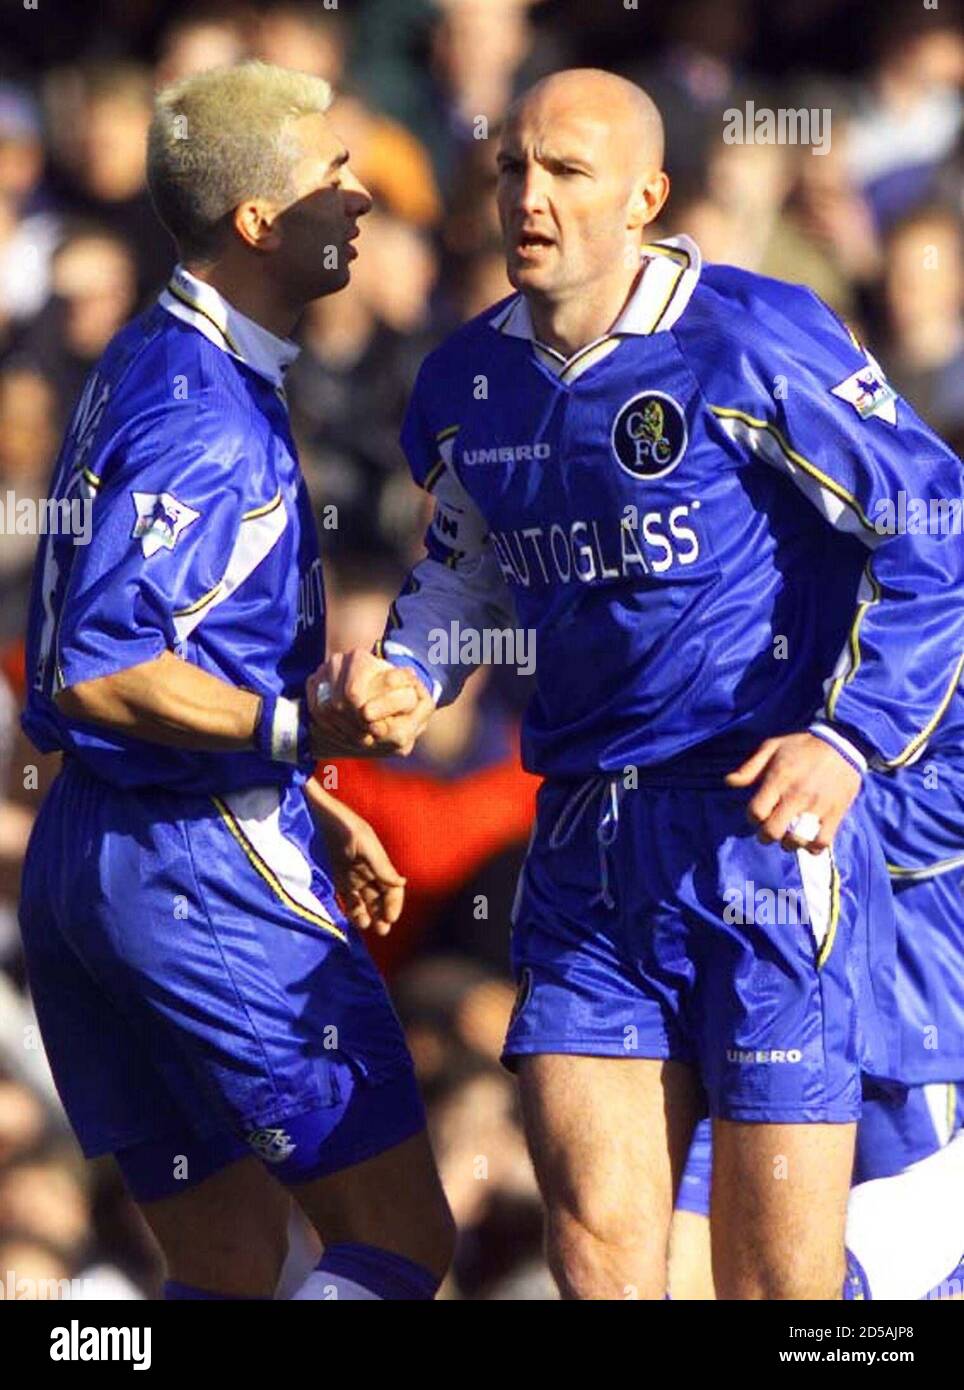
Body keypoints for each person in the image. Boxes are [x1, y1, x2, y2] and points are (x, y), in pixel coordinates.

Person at [317, 67, 964, 1299]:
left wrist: (847, 740)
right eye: (513, 167)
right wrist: (409, 673)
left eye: (567, 172)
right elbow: (465, 575)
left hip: (762, 847)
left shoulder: (751, 334)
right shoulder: (463, 384)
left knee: (781, 1289)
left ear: (646, 196)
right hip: (582, 850)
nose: (530, 196)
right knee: (599, 1262)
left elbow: (930, 517)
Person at [17, 61, 452, 1302]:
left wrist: (304, 789)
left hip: (94, 861)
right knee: (400, 1240)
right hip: (192, 870)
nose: (361, 199)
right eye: (333, 175)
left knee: (229, 1259)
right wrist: (297, 726)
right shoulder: (201, 410)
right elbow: (101, 669)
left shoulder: (146, 356)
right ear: (260, 220)